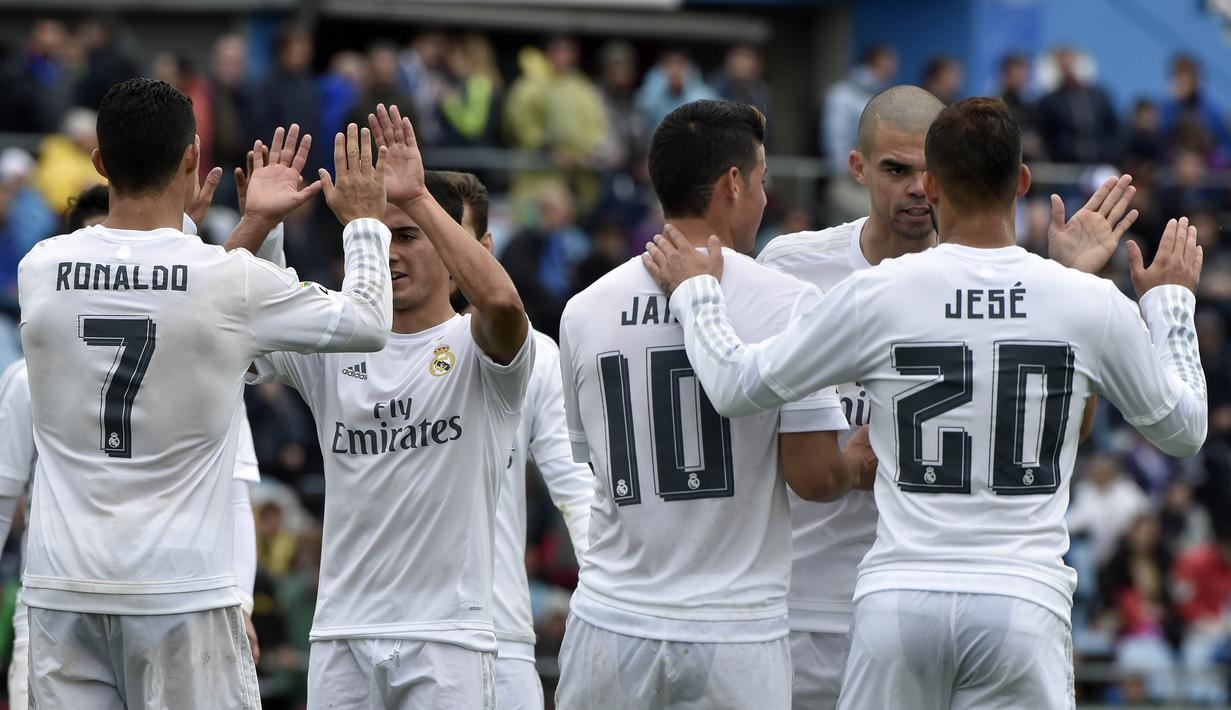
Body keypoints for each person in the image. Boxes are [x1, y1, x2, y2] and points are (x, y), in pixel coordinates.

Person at [645, 97, 1207, 709]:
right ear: (1022, 181)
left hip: (898, 596)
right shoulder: (1085, 299)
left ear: (935, 185)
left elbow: (733, 386)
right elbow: (1185, 430)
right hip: (1018, 601)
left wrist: (697, 295)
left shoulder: (878, 293)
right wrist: (1171, 304)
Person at [16, 78, 393, 708]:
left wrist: (239, 225)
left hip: (61, 589)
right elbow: (369, 323)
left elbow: (160, 292)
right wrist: (364, 224)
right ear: (192, 158)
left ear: (100, 163)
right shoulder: (225, 280)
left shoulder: (40, 268)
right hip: (181, 591)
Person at [757, 84, 1132, 709]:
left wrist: (1073, 286)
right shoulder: (791, 265)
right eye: (894, 170)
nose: (915, 188)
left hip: (941, 605)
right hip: (807, 605)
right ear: (857, 168)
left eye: (925, 171)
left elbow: (1070, 429)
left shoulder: (1011, 283)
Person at [556, 99, 868, 709]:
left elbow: (594, 463)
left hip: (609, 621)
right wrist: (855, 465)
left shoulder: (584, 307)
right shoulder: (787, 300)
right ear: (732, 183)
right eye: (761, 181)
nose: (764, 198)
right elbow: (814, 477)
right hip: (734, 630)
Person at [238, 105, 534, 709]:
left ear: (446, 247)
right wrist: (259, 223)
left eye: (409, 236)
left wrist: (417, 196)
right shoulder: (336, 340)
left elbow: (504, 306)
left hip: (447, 639)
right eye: (380, 235)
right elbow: (227, 321)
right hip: (341, 633)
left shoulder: (477, 346)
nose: (391, 253)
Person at [444, 169, 594, 710]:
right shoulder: (358, 344)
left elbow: (577, 489)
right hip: (373, 632)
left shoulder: (540, 357)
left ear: (485, 248)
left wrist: (605, 595)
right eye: (417, 231)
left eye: (451, 236)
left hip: (496, 636)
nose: (439, 251)